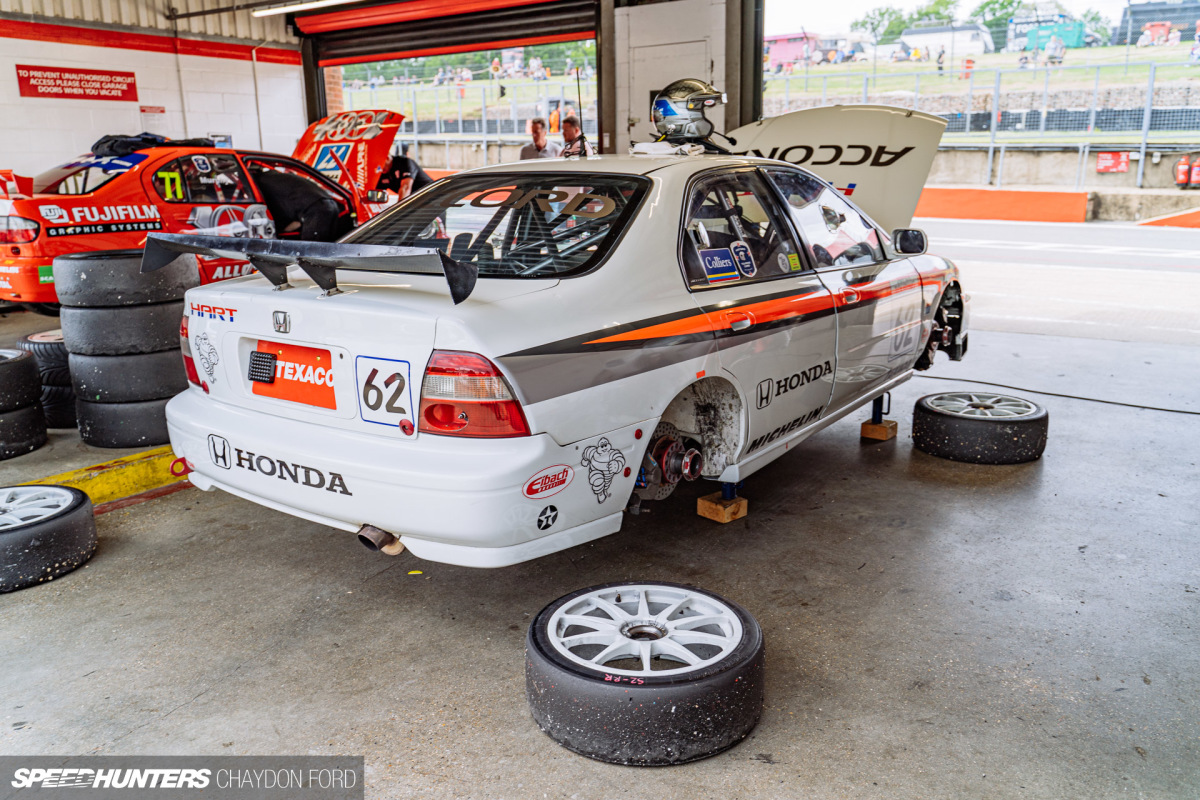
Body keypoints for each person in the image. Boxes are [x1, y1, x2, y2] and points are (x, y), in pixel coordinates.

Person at [251, 167, 342, 241]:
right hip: (329, 204)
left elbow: (281, 219)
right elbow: (296, 221)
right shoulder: (274, 177)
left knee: (312, 254)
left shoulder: (258, 185)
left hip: (314, 209)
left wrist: (279, 229)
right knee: (328, 249)